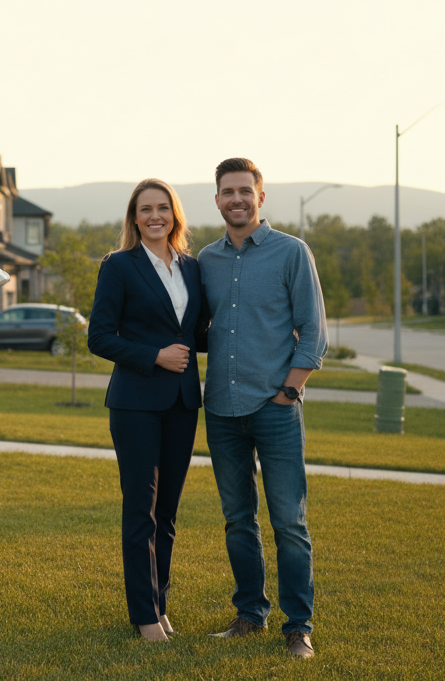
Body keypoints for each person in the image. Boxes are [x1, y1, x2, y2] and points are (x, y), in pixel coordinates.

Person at [198, 158, 327, 659]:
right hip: (222, 410)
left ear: (260, 197)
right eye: (228, 191)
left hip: (275, 408)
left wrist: (289, 391)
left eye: (245, 191)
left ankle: (299, 628)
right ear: (217, 200)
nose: (237, 199)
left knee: (289, 522)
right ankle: (250, 615)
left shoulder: (291, 252)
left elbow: (315, 332)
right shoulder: (205, 260)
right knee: (237, 519)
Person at [87, 178, 207, 642]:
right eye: (145, 209)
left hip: (182, 403)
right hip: (135, 403)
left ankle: (161, 604)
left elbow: (197, 333)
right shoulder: (118, 266)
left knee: (169, 512)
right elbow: (99, 336)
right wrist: (154, 356)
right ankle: (143, 615)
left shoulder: (192, 268)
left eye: (163, 208)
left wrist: (264, 333)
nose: (154, 216)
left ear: (175, 214)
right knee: (142, 509)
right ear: (134, 218)